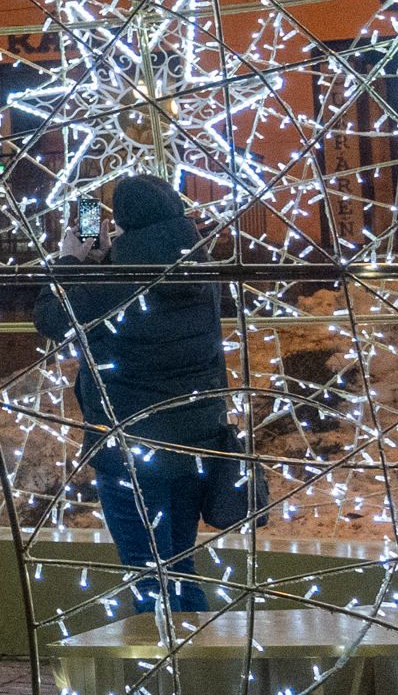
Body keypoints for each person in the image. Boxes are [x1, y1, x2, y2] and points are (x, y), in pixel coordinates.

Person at [34, 173, 245, 615]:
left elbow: (54, 319)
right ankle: (204, 669)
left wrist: (71, 260)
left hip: (130, 447)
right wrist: (112, 261)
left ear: (124, 222)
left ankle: (168, 675)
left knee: (148, 574)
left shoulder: (119, 278)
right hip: (195, 442)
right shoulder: (200, 267)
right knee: (180, 566)